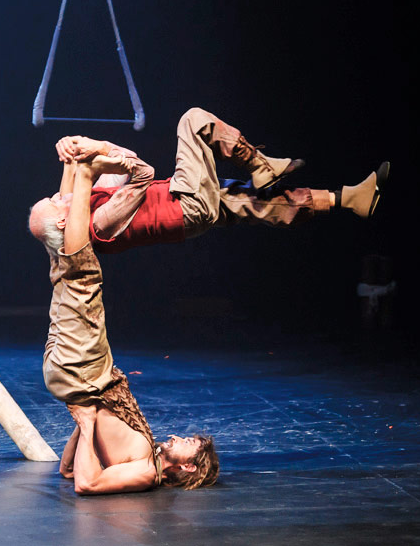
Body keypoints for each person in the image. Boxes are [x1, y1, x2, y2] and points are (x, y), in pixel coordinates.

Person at [39, 154, 219, 494]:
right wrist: (85, 424)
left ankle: (82, 172)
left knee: (81, 275)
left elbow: (86, 484)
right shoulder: (147, 453)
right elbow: (66, 471)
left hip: (87, 376)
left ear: (188, 466)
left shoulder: (148, 474)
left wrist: (90, 423)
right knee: (66, 270)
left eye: (189, 442)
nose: (179, 436)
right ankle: (73, 169)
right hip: (84, 377)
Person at [29, 107, 389, 255]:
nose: (59, 195)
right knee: (193, 120)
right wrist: (99, 151)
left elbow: (76, 183)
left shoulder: (78, 215)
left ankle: (349, 199)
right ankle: (260, 164)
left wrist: (76, 147)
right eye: (54, 200)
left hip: (190, 214)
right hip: (186, 205)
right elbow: (142, 172)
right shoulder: (97, 226)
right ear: (62, 219)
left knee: (260, 203)